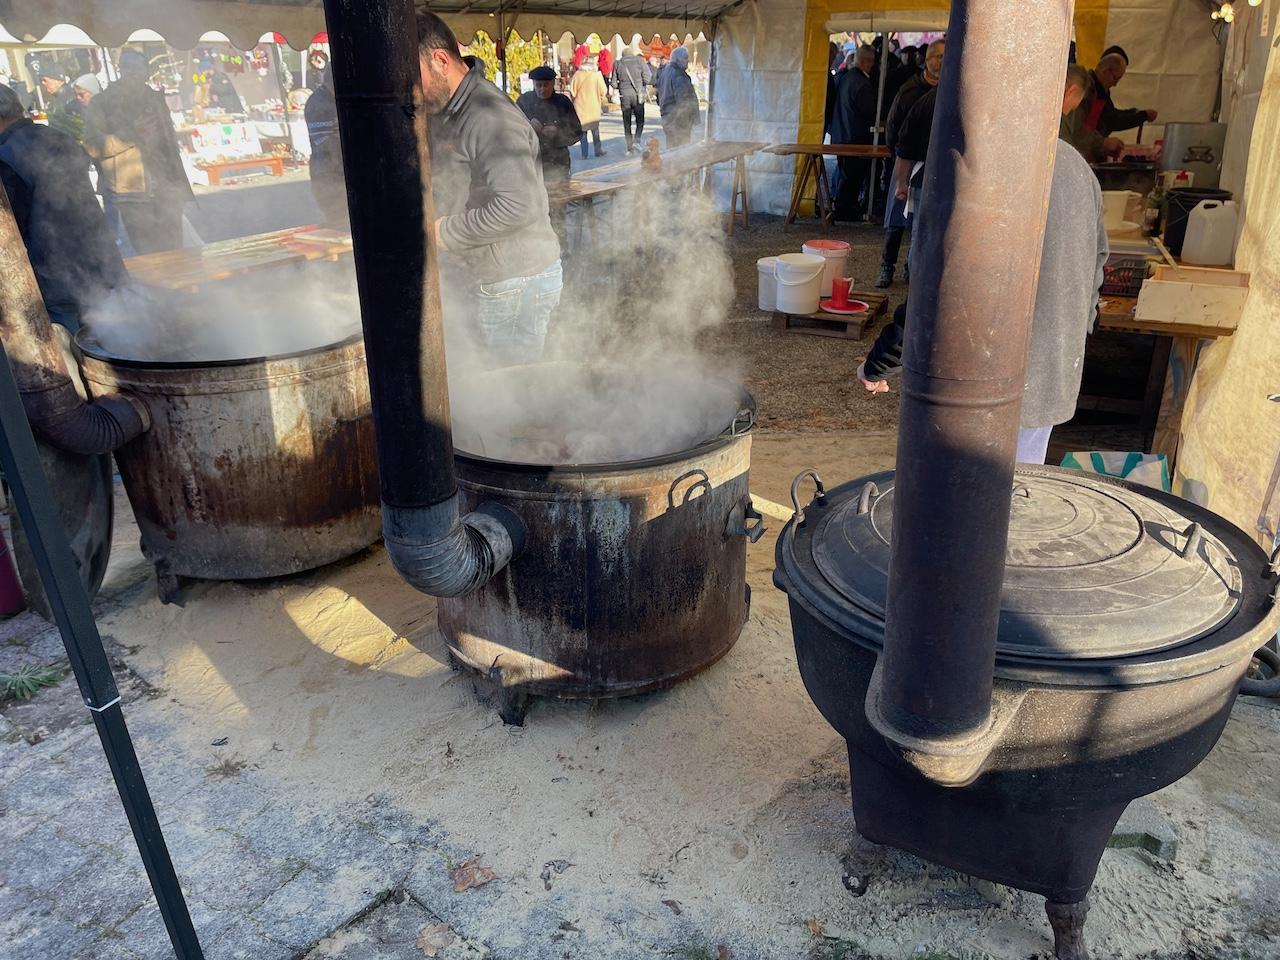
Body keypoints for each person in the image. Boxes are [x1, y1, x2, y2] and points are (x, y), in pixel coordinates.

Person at [858, 65, 1109, 466]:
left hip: (976, 386)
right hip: (1049, 374)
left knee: (961, 510)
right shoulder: (1079, 170)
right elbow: (1099, 261)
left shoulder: (972, 170)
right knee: (1018, 496)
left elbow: (936, 287)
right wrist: (1075, 330)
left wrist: (880, 364)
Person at [418, 12, 563, 368]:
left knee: (506, 391)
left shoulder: (487, 116)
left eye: (412, 75)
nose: (410, 88)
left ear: (440, 60)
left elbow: (518, 206)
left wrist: (442, 232)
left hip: (514, 280)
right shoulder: (453, 109)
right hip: (499, 275)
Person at [0, 85, 130, 332]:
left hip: (55, 276)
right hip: (99, 259)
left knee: (69, 348)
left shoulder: (6, 156)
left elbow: (11, 227)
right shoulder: (58, 137)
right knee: (115, 342)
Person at [82, 49, 194, 255]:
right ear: (120, 70)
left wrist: (180, 188)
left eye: (137, 69)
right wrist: (132, 134)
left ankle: (180, 288)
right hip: (132, 193)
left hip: (167, 190)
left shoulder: (155, 99)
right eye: (126, 68)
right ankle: (159, 289)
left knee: (177, 255)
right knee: (150, 258)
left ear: (146, 73)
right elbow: (92, 146)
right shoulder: (102, 103)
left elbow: (169, 144)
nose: (131, 74)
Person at [876, 38, 944, 288]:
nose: (943, 62)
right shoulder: (910, 91)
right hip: (905, 161)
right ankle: (886, 265)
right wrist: (900, 164)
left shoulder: (948, 90)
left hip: (932, 166)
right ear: (928, 60)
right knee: (896, 220)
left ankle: (910, 267)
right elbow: (893, 128)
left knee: (921, 224)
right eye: (939, 57)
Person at [1063, 50, 1157, 163]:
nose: (1115, 84)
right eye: (1115, 78)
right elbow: (1076, 130)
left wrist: (1141, 115)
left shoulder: (1101, 92)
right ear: (1106, 71)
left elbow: (1111, 119)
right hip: (1075, 156)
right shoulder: (1087, 90)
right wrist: (1102, 143)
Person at [828, 44, 877, 221]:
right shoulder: (862, 83)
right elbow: (868, 111)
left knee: (845, 174)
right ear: (867, 61)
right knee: (852, 177)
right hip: (855, 136)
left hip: (841, 134)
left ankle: (842, 207)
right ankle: (845, 210)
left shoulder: (846, 77)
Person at [517, 65, 582, 184]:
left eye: (546, 85)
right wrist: (527, 125)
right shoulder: (524, 101)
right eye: (538, 85)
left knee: (559, 198)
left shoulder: (563, 102)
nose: (542, 89)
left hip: (558, 162)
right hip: (531, 162)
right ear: (533, 84)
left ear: (553, 84)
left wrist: (559, 133)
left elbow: (577, 132)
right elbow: (512, 131)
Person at [303, 66, 348, 224]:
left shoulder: (336, 100)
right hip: (328, 174)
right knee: (341, 223)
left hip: (340, 172)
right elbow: (327, 144)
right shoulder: (318, 104)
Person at [656, 46, 700, 149]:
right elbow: (684, 100)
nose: (688, 60)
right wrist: (688, 118)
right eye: (685, 58)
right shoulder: (679, 75)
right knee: (681, 150)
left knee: (671, 148)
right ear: (678, 59)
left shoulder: (665, 72)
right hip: (678, 120)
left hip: (667, 116)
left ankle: (670, 165)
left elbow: (659, 94)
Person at [613, 43, 651, 154]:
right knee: (640, 120)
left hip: (624, 95)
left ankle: (629, 148)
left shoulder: (618, 63)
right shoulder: (640, 61)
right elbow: (648, 79)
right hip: (637, 95)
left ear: (622, 55)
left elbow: (614, 83)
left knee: (627, 122)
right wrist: (640, 85)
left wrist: (621, 85)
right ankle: (637, 141)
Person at [568, 58, 608, 160]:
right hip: (594, 106)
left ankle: (584, 154)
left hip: (580, 107)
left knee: (583, 132)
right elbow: (603, 90)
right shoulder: (597, 75)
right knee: (595, 130)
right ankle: (598, 150)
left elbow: (572, 91)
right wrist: (600, 98)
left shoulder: (577, 75)